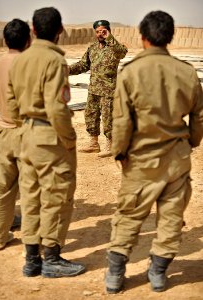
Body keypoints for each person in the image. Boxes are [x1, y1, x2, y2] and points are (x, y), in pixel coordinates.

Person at [105, 10, 203, 294]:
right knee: (171, 218)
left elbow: (121, 121)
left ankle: (115, 275)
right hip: (177, 160)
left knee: (129, 215)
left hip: (141, 160)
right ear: (169, 37)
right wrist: (191, 143)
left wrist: (120, 153)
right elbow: (198, 118)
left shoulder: (130, 73)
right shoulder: (187, 72)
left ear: (143, 37)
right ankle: (158, 273)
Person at [7, 7, 86, 278]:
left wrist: (23, 128)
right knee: (56, 197)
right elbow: (56, 107)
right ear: (60, 30)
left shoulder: (20, 59)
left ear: (33, 29)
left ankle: (31, 260)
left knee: (30, 198)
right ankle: (51, 258)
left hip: (25, 136)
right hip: (50, 138)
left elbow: (11, 102)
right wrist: (68, 138)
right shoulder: (54, 61)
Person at [69, 20, 128, 158]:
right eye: (97, 31)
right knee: (91, 116)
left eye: (103, 31)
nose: (100, 34)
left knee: (108, 119)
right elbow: (83, 65)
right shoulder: (92, 48)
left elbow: (122, 53)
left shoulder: (115, 48)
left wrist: (110, 38)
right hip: (93, 89)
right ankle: (94, 144)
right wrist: (66, 69)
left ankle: (110, 145)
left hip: (109, 90)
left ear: (108, 31)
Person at [0, 19, 31, 250]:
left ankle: (0, 236)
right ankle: (32, 243)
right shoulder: (30, 64)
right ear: (28, 40)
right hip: (27, 132)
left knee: (3, 188)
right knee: (30, 189)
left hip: (3, 130)